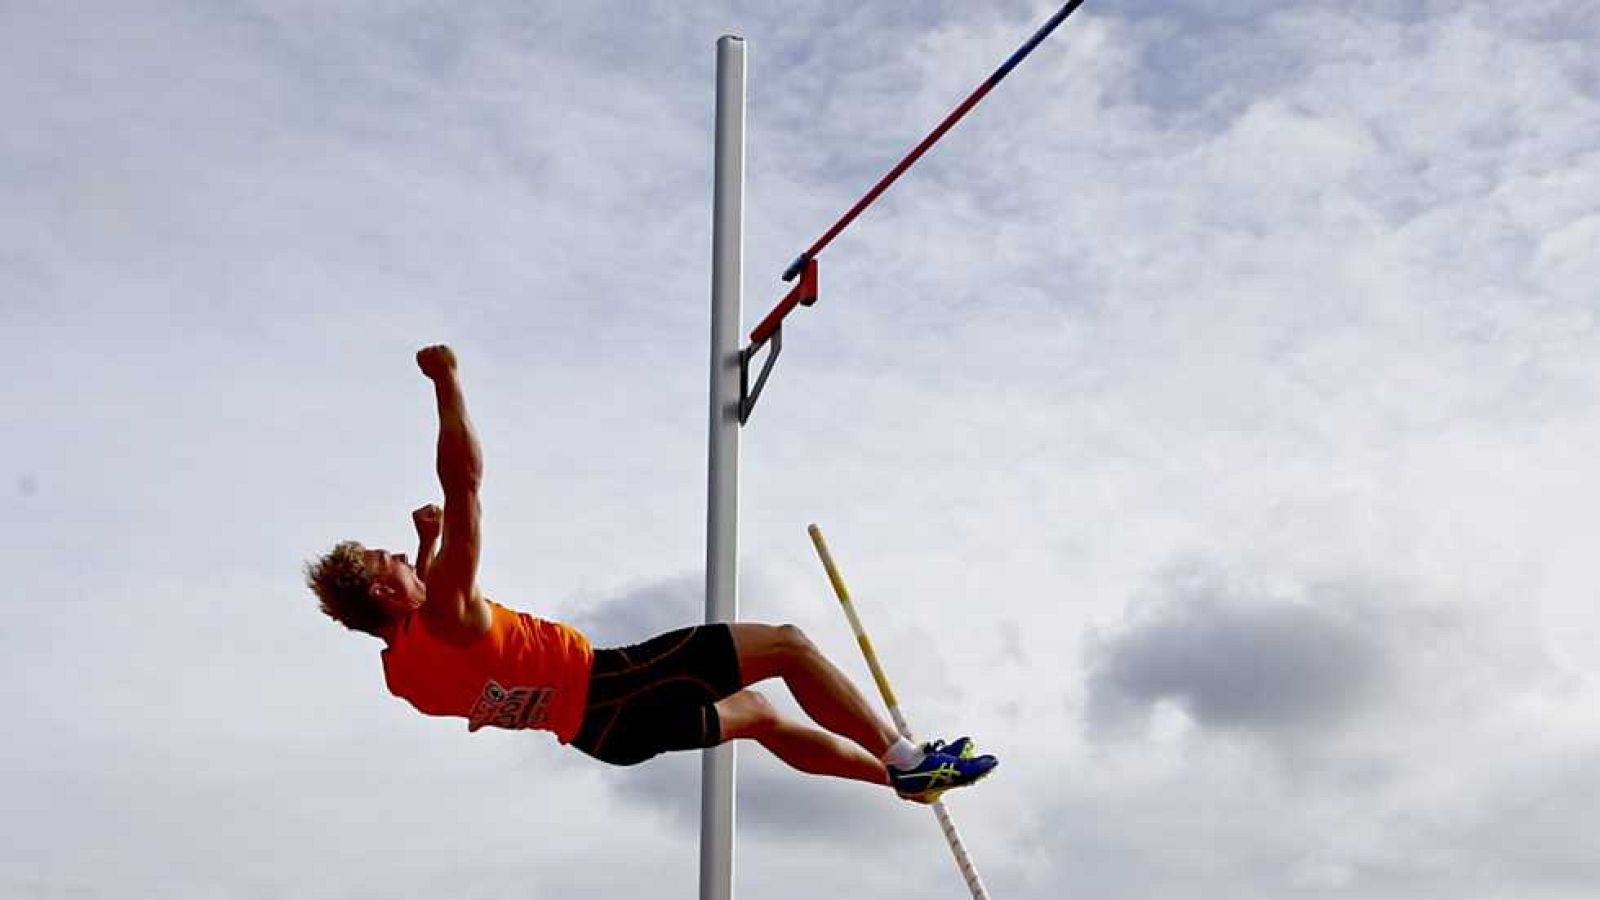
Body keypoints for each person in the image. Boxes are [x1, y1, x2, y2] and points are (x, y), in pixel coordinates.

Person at [306, 344, 997, 803]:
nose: (396, 557)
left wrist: (421, 549)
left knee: (758, 715)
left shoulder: (402, 675)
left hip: (600, 737)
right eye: (385, 559)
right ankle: (906, 761)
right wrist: (447, 383)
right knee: (786, 645)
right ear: (381, 590)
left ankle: (898, 781)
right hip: (616, 685)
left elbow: (423, 627)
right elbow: (465, 487)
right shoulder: (447, 614)